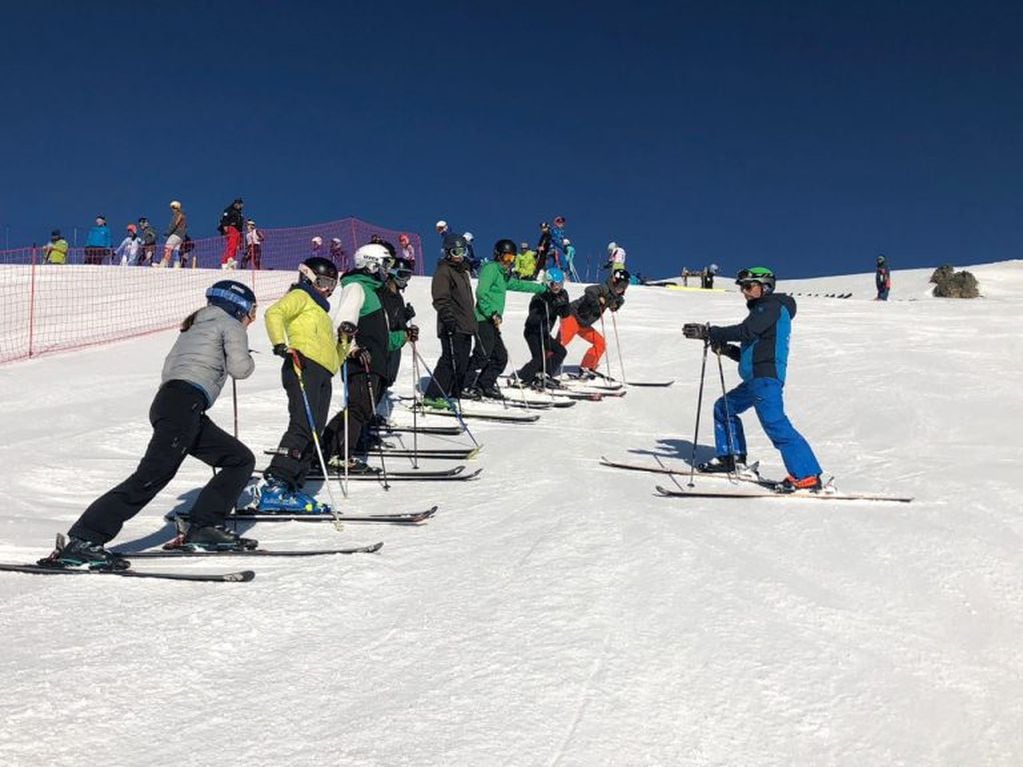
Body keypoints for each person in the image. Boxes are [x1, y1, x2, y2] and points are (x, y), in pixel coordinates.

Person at [40, 281, 259, 568]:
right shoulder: (230, 324)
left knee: (238, 459)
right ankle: (84, 539)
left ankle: (204, 527)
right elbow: (241, 370)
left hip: (174, 403)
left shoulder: (193, 327)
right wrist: (245, 353)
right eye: (251, 311)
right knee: (152, 475)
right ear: (238, 306)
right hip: (185, 404)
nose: (251, 318)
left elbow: (171, 369)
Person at [682, 266, 824, 493]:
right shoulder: (762, 311)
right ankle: (731, 457)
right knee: (724, 407)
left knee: (775, 424)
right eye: (742, 287)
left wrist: (711, 332)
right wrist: (728, 349)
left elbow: (746, 331)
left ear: (765, 286)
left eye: (748, 286)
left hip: (765, 379)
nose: (744, 292)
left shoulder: (772, 306)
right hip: (755, 379)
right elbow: (750, 353)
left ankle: (807, 475)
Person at [261, 257, 343, 511]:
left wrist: (345, 342)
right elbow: (273, 312)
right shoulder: (301, 295)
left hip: (323, 373)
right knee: (302, 425)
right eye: (323, 282)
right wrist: (280, 345)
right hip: (301, 364)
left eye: (332, 284)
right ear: (308, 277)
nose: (328, 288)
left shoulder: (322, 313)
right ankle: (276, 485)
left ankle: (292, 486)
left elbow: (334, 359)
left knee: (315, 430)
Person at [322, 244, 394, 473]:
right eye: (384, 264)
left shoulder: (374, 290)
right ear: (370, 262)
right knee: (359, 407)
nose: (386, 270)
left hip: (376, 360)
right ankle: (338, 454)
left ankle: (325, 450)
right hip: (361, 358)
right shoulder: (357, 286)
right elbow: (343, 322)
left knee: (363, 408)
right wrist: (352, 348)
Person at [465, 239, 545, 399]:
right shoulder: (490, 269)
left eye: (512, 259)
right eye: (506, 257)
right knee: (482, 355)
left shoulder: (503, 275)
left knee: (500, 357)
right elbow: (481, 293)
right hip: (482, 319)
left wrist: (542, 288)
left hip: (492, 321)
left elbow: (519, 285)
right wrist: (491, 312)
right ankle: (463, 384)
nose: (509, 262)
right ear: (498, 256)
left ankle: (484, 385)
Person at [423, 235, 476, 408]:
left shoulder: (463, 272)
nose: (459, 255)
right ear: (447, 253)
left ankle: (452, 393)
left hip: (466, 326)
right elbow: (440, 298)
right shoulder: (444, 270)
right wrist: (448, 319)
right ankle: (433, 395)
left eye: (463, 251)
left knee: (461, 362)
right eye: (456, 251)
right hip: (452, 324)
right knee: (450, 359)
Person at [560, 267, 629, 376]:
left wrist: (616, 305)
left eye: (624, 287)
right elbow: (589, 290)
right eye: (621, 286)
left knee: (600, 343)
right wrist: (596, 303)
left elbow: (617, 302)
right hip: (572, 317)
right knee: (560, 344)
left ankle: (586, 367)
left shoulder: (614, 296)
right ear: (614, 282)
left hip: (583, 324)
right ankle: (542, 368)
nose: (621, 289)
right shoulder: (604, 288)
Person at [515, 267, 570, 387]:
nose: (557, 287)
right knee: (539, 358)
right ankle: (521, 377)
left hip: (545, 333)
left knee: (561, 351)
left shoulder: (560, 294)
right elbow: (533, 319)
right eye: (554, 284)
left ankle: (544, 374)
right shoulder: (540, 296)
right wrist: (549, 307)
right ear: (547, 283)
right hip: (532, 332)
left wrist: (564, 303)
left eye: (560, 284)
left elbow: (565, 314)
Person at [157, 200, 187, 267]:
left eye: (173, 208)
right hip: (181, 237)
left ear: (177, 208)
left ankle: (164, 262)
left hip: (176, 234)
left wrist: (168, 233)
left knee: (168, 247)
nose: (172, 210)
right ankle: (176, 264)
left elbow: (174, 224)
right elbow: (185, 227)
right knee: (176, 250)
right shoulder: (183, 216)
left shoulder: (177, 214)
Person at [218, 197, 245, 269]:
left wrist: (240, 238)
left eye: (240, 205)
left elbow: (241, 225)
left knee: (235, 246)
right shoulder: (230, 209)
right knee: (232, 243)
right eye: (238, 204)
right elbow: (225, 217)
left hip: (237, 230)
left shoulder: (239, 213)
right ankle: (230, 258)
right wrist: (225, 225)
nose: (239, 206)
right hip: (231, 227)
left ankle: (226, 261)